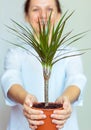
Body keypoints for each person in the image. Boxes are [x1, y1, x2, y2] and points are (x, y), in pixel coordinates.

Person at [1, 0, 86, 130]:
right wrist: (25, 99)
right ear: (26, 16)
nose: (43, 15)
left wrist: (66, 99)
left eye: (49, 9)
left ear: (58, 14)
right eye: (35, 9)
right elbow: (10, 79)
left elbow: (76, 80)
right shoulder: (16, 53)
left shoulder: (70, 53)